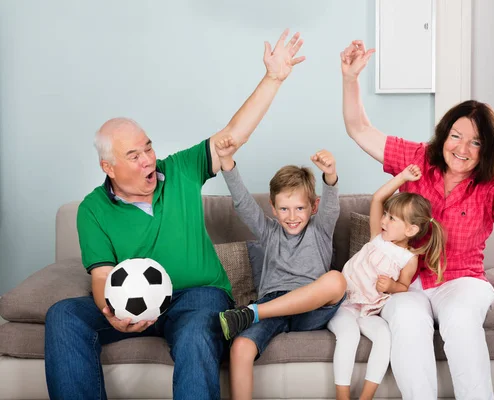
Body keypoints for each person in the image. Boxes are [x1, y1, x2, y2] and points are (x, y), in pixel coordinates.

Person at [43, 29, 305, 400]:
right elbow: (102, 275)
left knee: (198, 331)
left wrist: (273, 78)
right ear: (109, 167)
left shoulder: (180, 169)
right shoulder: (92, 209)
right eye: (134, 156)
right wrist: (112, 311)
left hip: (197, 298)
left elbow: (233, 135)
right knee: (63, 315)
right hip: (132, 302)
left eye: (148, 147)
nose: (148, 159)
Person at [340, 40, 494, 400]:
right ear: (444, 135)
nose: (462, 149)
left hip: (463, 281)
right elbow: (360, 129)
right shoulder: (418, 159)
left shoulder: (491, 186)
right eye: (456, 136)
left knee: (462, 321)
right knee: (405, 319)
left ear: (488, 149)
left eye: (475, 142)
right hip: (410, 284)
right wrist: (351, 79)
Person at [214, 136, 346, 400]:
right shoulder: (270, 232)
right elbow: (243, 204)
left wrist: (329, 175)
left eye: (299, 208)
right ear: (273, 209)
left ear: (313, 207)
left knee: (336, 280)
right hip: (272, 307)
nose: (292, 216)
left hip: (311, 307)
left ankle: (250, 313)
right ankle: (254, 313)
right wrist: (227, 162)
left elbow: (332, 208)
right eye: (284, 209)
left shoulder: (320, 229)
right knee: (240, 346)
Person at [328, 164, 446, 400]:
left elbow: (402, 286)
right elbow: (378, 198)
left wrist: (392, 287)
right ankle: (342, 396)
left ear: (411, 229)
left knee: (385, 337)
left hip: (370, 311)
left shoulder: (409, 259)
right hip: (344, 304)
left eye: (391, 218)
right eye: (386, 215)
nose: (384, 220)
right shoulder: (377, 237)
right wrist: (402, 177)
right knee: (348, 335)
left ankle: (366, 397)